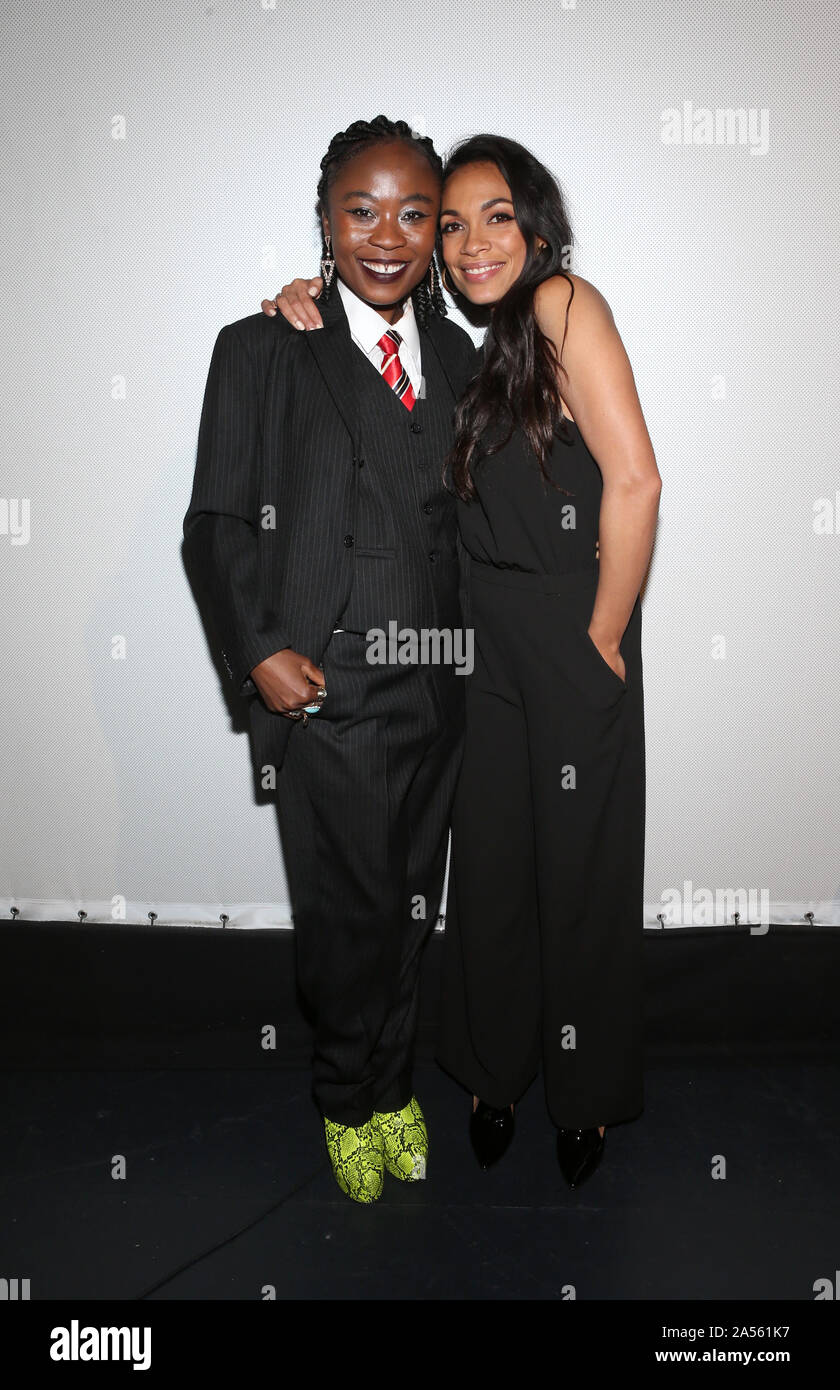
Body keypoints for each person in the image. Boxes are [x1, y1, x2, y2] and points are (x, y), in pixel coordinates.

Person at [265, 134, 661, 1190]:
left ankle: (583, 1094)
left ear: (536, 230)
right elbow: (364, 377)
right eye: (454, 222)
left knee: (578, 877)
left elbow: (636, 483)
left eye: (495, 217)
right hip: (476, 642)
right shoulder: (465, 346)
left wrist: (604, 635)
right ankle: (493, 1075)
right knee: (488, 875)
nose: (471, 240)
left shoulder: (562, 305)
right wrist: (301, 302)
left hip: (569, 638)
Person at [184, 116, 478, 1204]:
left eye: (414, 213)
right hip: (328, 692)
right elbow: (213, 522)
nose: (389, 236)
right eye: (362, 209)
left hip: (441, 681)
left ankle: (394, 1082)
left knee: (411, 903)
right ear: (324, 220)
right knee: (343, 916)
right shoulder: (262, 347)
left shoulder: (453, 356)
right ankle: (343, 1095)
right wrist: (257, 647)